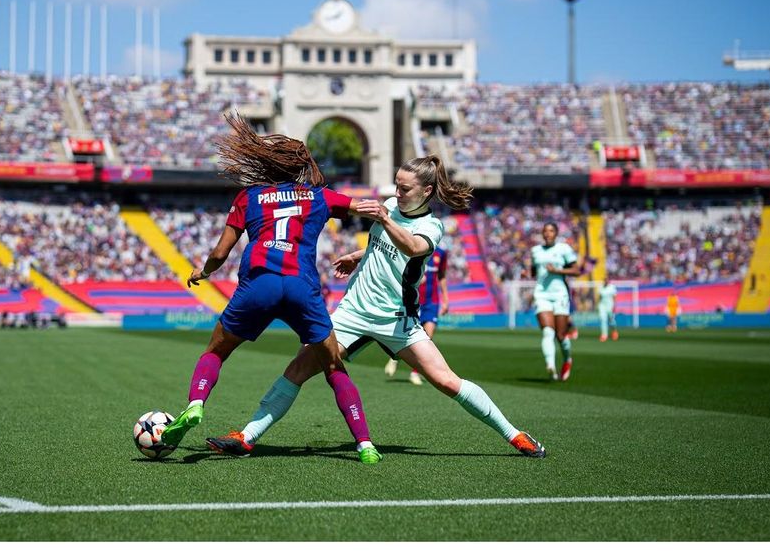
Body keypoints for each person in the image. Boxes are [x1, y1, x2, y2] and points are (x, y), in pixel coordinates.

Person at [207, 157, 545, 460]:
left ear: (427, 191)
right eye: (396, 185)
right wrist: (358, 257)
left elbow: (412, 248)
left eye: (405, 188)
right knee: (298, 369)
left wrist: (384, 217)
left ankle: (514, 435)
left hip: (396, 319)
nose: (397, 193)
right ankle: (246, 436)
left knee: (446, 381)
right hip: (352, 312)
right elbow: (379, 245)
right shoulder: (390, 206)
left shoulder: (431, 226)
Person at [157, 113, 383, 464]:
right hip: (301, 288)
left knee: (216, 351)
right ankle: (365, 445)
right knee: (334, 366)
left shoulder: (249, 197)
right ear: (299, 168)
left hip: (258, 285)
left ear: (267, 166)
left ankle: (195, 404)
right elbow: (365, 207)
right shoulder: (318, 196)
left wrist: (203, 271)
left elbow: (220, 252)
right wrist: (392, 216)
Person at [386, 238, 449, 384]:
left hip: (432, 302)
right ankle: (396, 356)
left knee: (427, 337)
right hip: (414, 301)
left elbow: (442, 276)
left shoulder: (441, 253)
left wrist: (446, 299)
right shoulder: (415, 250)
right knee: (408, 335)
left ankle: (415, 373)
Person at [530, 220, 578, 380]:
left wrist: (557, 270)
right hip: (541, 294)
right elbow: (533, 272)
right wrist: (526, 274)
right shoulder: (535, 251)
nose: (547, 233)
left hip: (560, 295)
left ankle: (567, 359)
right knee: (547, 331)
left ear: (556, 233)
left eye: (551, 231)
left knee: (561, 335)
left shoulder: (564, 249)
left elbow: (577, 270)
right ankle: (551, 366)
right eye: (545, 231)